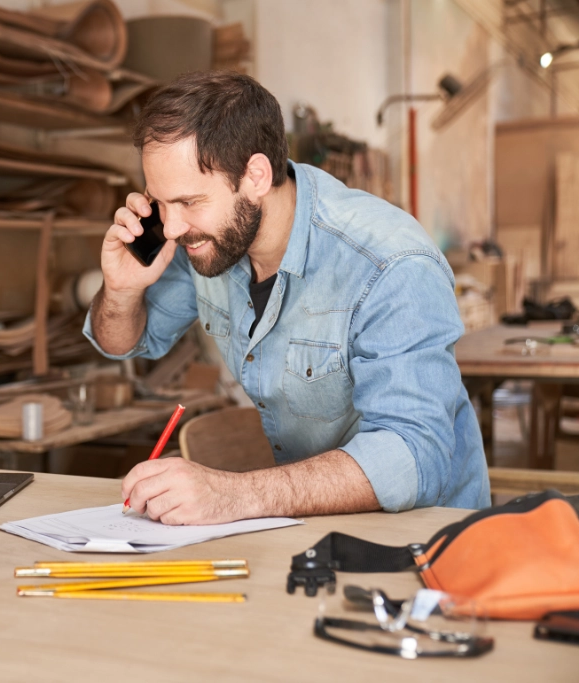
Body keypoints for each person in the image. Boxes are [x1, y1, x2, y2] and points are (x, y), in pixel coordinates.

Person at [84, 71, 490, 525]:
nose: (172, 227)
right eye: (159, 203)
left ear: (256, 175)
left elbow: (413, 457)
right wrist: (121, 291)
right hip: (310, 520)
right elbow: (121, 342)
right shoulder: (207, 241)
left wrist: (235, 494)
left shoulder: (390, 263)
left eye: (189, 202)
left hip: (426, 537)